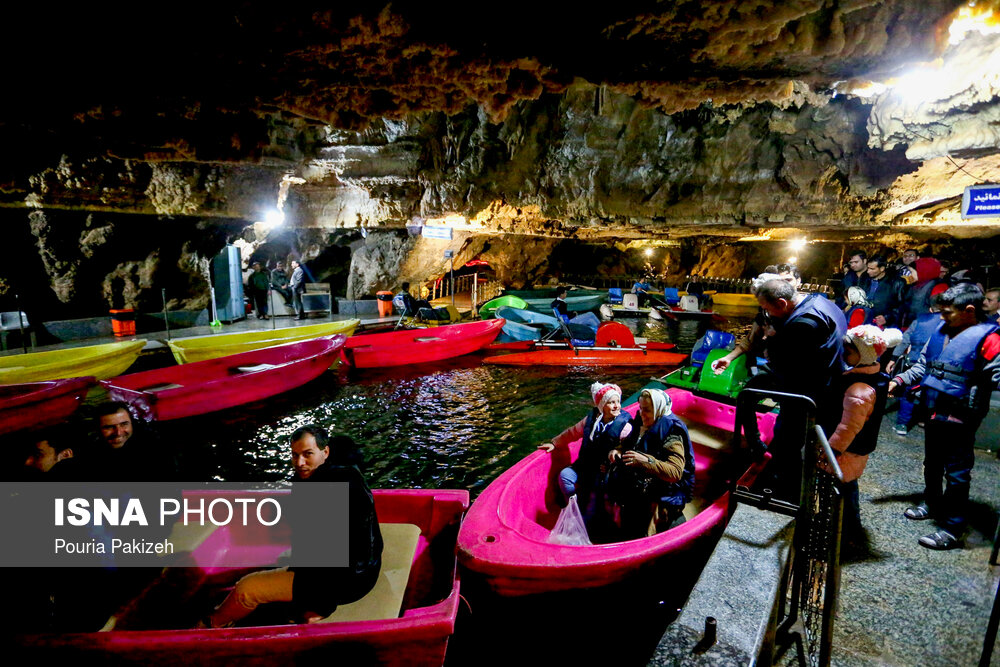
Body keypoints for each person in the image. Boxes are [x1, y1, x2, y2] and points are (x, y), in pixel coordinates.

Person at [205, 426, 383, 628]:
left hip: (345, 583)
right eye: (295, 455)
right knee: (281, 564)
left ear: (325, 452)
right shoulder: (347, 474)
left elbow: (327, 564)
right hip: (367, 571)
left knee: (247, 589)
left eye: (308, 454)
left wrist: (320, 607)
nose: (299, 463)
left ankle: (208, 626)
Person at [889, 283, 1000, 550]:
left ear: (969, 310)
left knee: (958, 472)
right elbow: (923, 365)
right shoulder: (940, 331)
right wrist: (899, 380)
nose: (942, 317)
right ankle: (931, 502)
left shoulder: (990, 339)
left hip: (962, 413)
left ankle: (952, 527)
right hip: (932, 406)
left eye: (948, 312)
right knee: (933, 461)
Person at [716, 279, 847, 499]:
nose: (766, 314)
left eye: (768, 308)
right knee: (750, 395)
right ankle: (760, 447)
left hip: (807, 383)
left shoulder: (803, 324)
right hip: (816, 372)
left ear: (782, 303)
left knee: (788, 436)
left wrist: (771, 337)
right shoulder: (819, 301)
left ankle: (786, 490)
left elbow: (780, 360)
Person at [820, 325, 899, 556]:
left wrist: (830, 452)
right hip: (853, 451)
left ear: (864, 355)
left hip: (845, 452)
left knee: (843, 492)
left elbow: (848, 428)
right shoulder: (873, 376)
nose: (843, 352)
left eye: (848, 350)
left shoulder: (859, 390)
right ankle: (848, 532)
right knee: (847, 488)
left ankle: (846, 536)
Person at [538, 382, 633, 539]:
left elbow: (631, 449)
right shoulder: (591, 420)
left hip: (604, 473)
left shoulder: (625, 428)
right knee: (565, 476)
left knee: (593, 506)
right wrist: (554, 443)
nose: (616, 406)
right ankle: (573, 507)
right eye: (611, 402)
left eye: (618, 402)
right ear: (602, 406)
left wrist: (614, 462)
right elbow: (572, 433)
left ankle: (590, 528)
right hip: (585, 466)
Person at [608, 388, 695, 539]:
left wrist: (646, 461)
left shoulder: (672, 433)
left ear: (658, 409)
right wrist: (619, 450)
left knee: (645, 534)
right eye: (640, 408)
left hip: (663, 493)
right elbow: (629, 444)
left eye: (646, 410)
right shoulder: (641, 422)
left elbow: (675, 473)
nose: (641, 413)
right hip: (640, 487)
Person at [887, 304, 941, 435]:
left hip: (914, 361)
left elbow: (905, 340)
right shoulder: (947, 325)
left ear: (930, 309)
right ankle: (924, 420)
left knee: (909, 394)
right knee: (931, 395)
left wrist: (893, 358)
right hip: (936, 366)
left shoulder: (919, 321)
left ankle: (902, 424)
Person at [92, 401, 175, 481]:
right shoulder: (91, 455)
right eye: (109, 427)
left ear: (132, 424)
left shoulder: (153, 450)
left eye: (124, 424)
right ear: (97, 429)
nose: (118, 432)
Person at [864, 255, 905, 328]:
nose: (868, 271)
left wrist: (887, 318)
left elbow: (902, 306)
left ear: (882, 268)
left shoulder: (896, 283)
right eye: (868, 268)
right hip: (866, 323)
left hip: (887, 326)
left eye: (872, 269)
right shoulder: (864, 281)